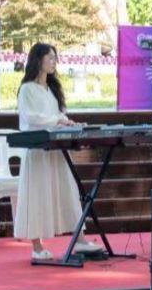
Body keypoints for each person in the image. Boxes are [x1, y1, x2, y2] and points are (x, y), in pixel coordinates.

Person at [14, 43, 103, 261]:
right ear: (38, 60)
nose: (54, 62)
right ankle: (37, 246)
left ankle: (80, 239)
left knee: (68, 192)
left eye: (55, 58)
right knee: (37, 194)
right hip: (38, 150)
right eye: (50, 58)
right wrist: (58, 120)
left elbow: (58, 114)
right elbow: (31, 118)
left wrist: (68, 122)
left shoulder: (52, 88)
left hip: (57, 149)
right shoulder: (27, 89)